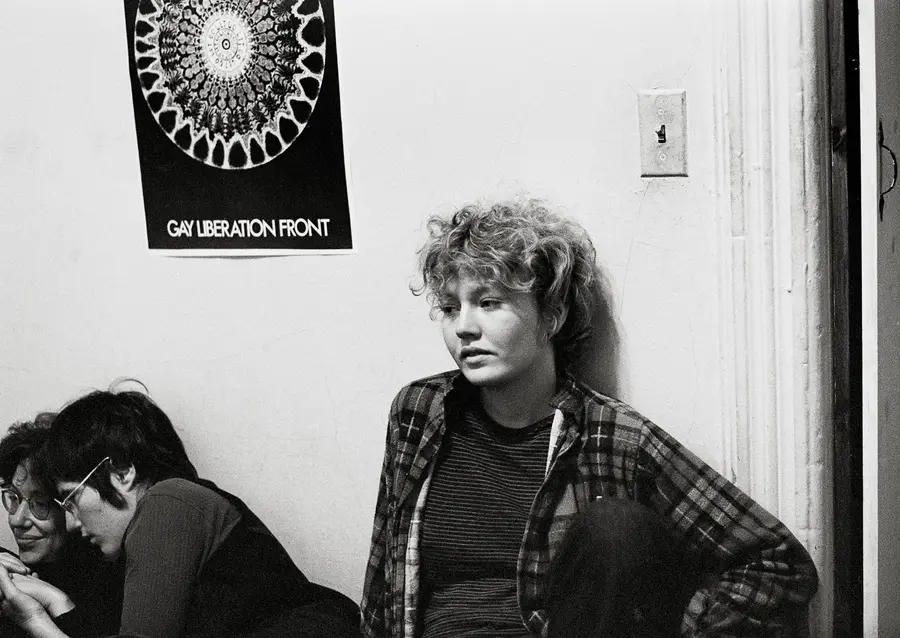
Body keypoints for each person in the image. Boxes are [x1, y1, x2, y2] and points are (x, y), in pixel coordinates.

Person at [360, 198, 819, 636]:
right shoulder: (420, 412)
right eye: (449, 307)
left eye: (489, 302)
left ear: (552, 316)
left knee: (616, 527)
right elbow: (384, 574)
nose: (463, 326)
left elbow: (778, 562)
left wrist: (680, 628)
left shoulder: (612, 436)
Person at [0, 386, 361, 638]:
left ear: (122, 473)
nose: (73, 520)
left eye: (72, 497)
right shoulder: (155, 525)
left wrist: (36, 620)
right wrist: (55, 600)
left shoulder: (169, 501)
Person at [0, 414, 123, 638]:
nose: (17, 520)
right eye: (13, 498)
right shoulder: (9, 568)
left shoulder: (111, 586)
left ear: (73, 505)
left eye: (40, 503)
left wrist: (56, 601)